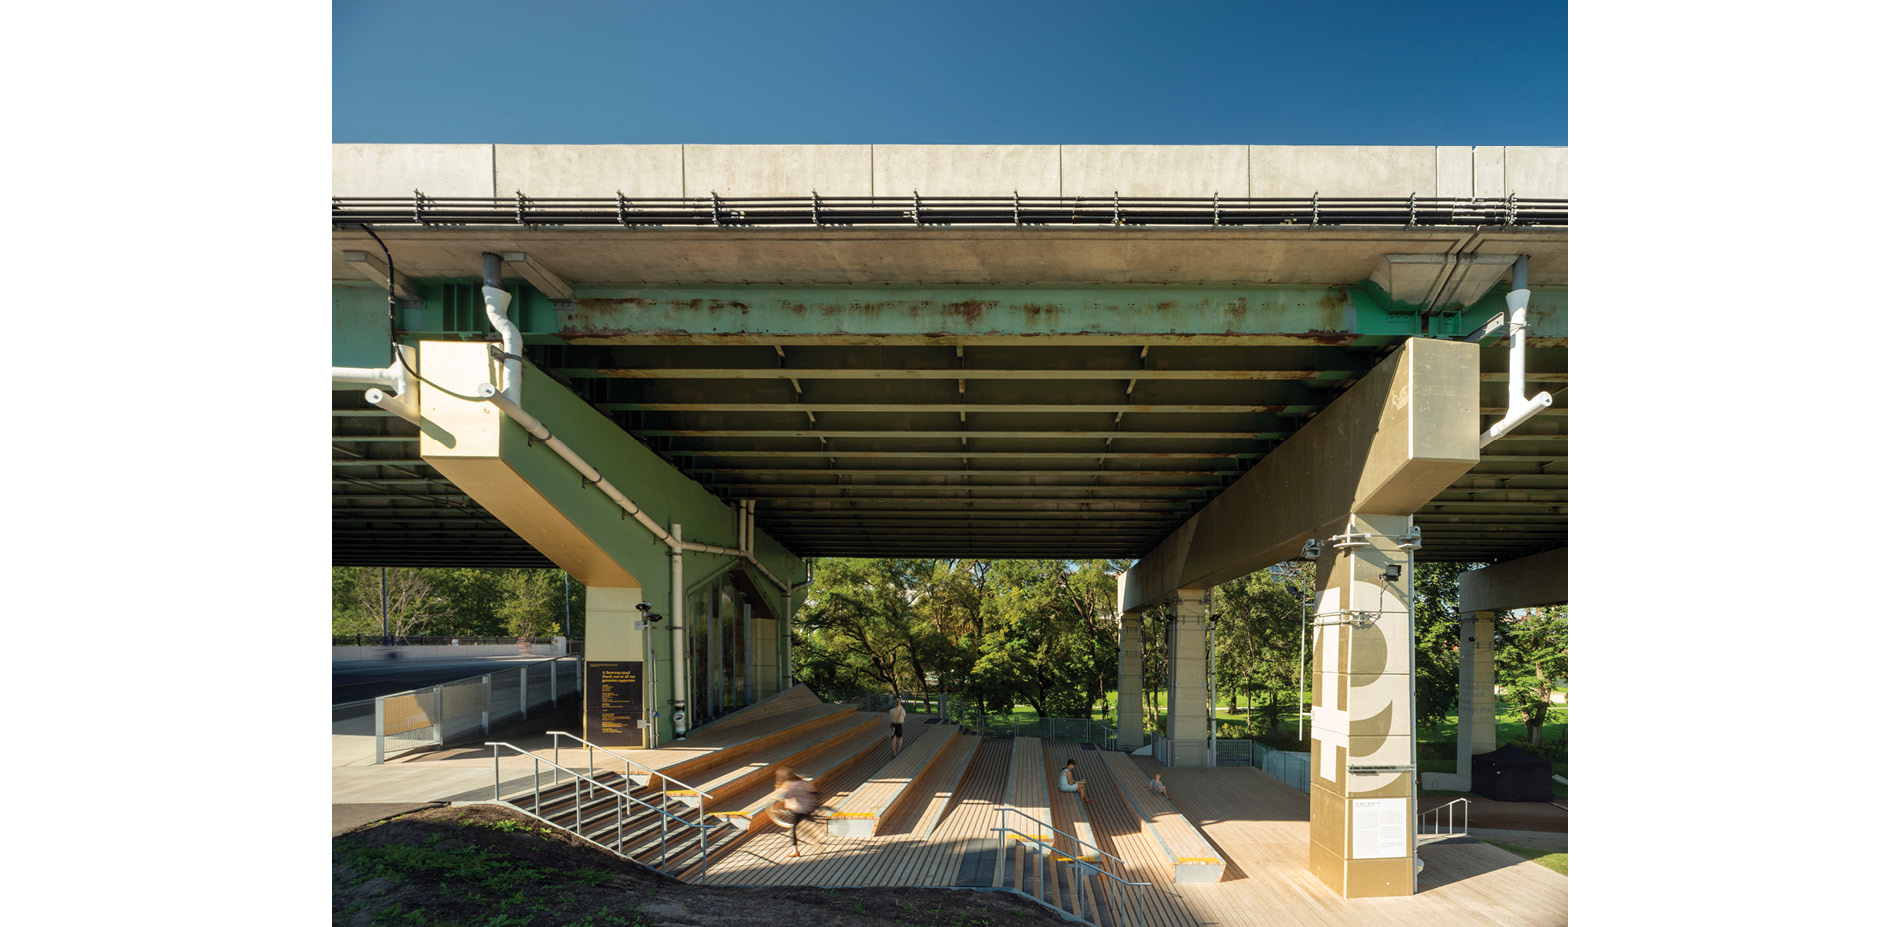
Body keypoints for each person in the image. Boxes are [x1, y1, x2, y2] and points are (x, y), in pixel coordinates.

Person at [770, 767, 820, 858]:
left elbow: (785, 796)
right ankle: (816, 840)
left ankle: (795, 851)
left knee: (793, 830)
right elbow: (812, 792)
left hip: (797, 809)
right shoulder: (802, 781)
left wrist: (777, 789)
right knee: (806, 823)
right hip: (807, 807)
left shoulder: (788, 785)